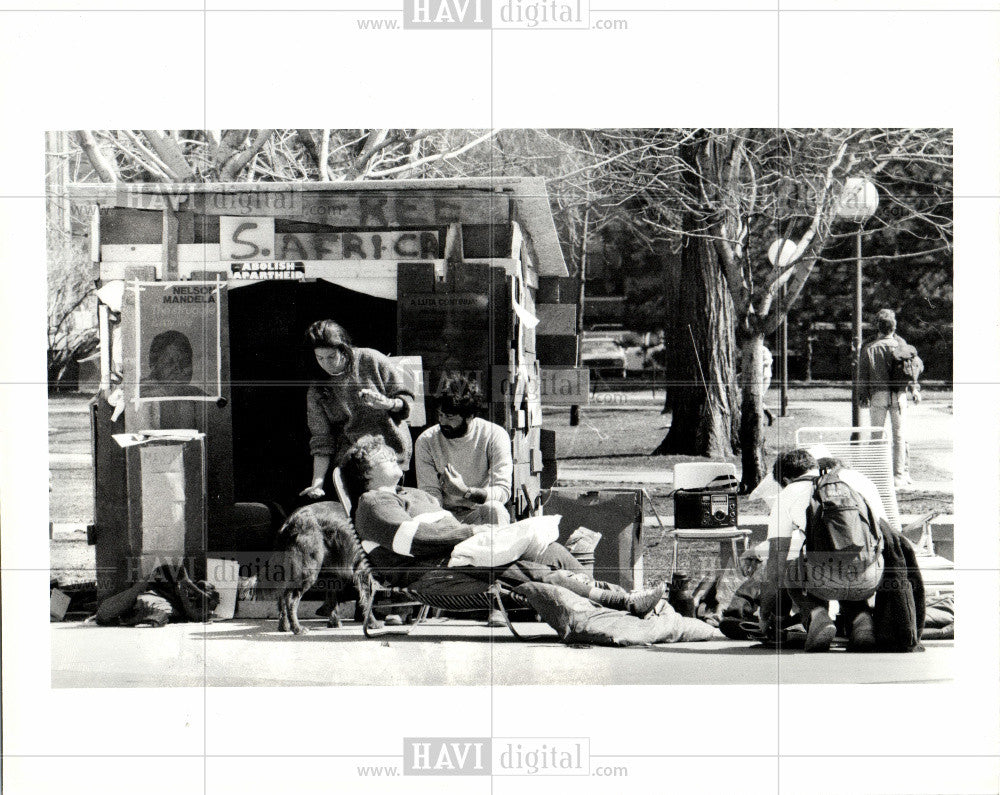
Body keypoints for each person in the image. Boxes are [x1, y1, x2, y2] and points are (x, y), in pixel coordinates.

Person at [341, 435, 667, 617]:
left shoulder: (411, 494)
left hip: (459, 556)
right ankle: (619, 603)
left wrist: (481, 533)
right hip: (430, 571)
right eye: (384, 457)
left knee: (548, 549)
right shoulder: (372, 503)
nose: (394, 459)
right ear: (367, 470)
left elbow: (445, 528)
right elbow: (414, 540)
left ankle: (607, 605)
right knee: (521, 567)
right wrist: (475, 534)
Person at [759, 448, 885, 652]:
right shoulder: (856, 481)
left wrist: (765, 614)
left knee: (793, 569)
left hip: (824, 580)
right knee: (848, 561)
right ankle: (862, 619)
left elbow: (776, 561)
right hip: (871, 577)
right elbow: (886, 534)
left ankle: (817, 616)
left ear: (786, 478)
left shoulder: (790, 492)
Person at [299, 320, 414, 500]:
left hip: (392, 456)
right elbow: (322, 440)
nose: (326, 364)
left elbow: (406, 399)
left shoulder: (371, 359)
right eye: (319, 358)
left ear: (344, 349)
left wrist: (388, 404)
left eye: (331, 357)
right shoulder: (317, 389)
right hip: (354, 466)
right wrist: (317, 482)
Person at [414, 374, 513, 528]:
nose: (442, 422)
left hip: (479, 512)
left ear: (469, 416)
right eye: (440, 415)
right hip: (445, 515)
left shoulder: (494, 435)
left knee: (495, 509)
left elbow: (502, 491)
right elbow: (429, 492)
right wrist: (444, 520)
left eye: (450, 417)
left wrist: (465, 492)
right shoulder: (426, 441)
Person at [858, 308, 913, 487]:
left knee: (877, 435)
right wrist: (913, 389)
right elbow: (910, 370)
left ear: (878, 328)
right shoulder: (902, 346)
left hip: (878, 395)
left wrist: (863, 395)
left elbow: (863, 374)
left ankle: (877, 473)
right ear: (894, 327)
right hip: (898, 394)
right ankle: (899, 475)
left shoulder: (869, 348)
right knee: (899, 436)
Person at [138, 330, 206, 430]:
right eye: (169, 363)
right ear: (153, 364)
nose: (178, 370)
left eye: (185, 363)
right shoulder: (140, 393)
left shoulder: (196, 394)